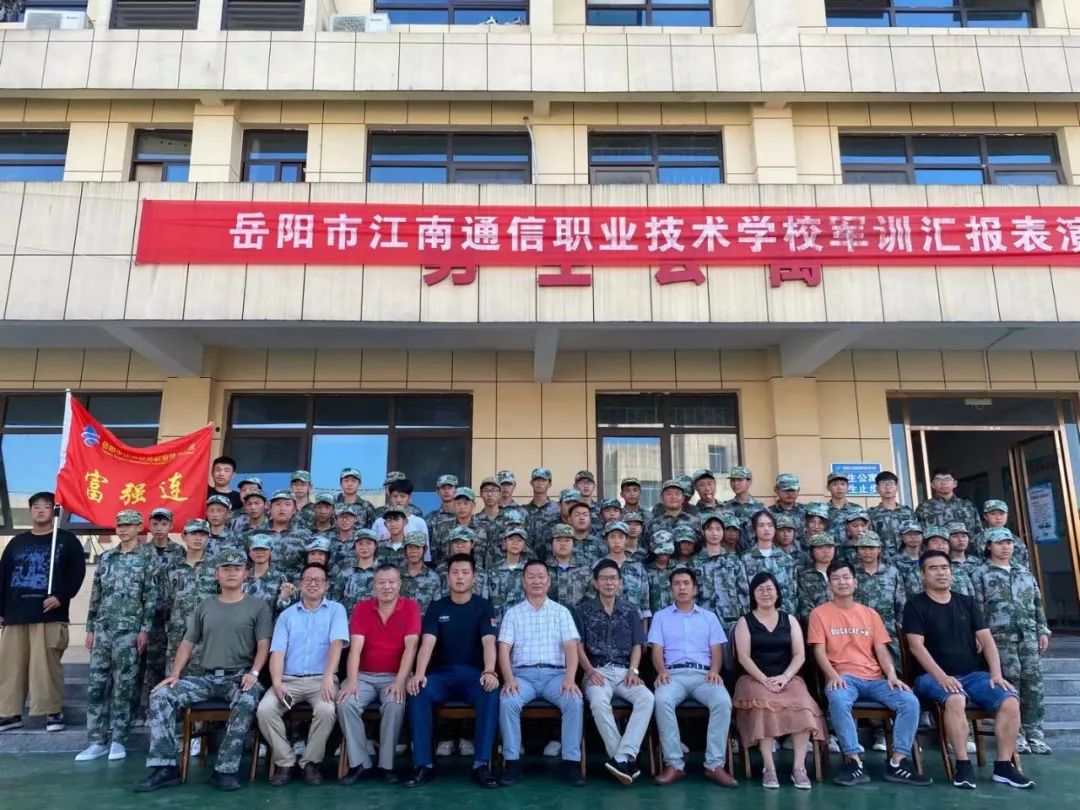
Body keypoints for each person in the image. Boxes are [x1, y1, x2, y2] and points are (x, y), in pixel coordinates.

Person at [136, 548, 272, 793]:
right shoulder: (205, 605)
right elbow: (187, 643)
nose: (231, 573)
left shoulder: (257, 606)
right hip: (205, 678)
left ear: (246, 574)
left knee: (247, 700)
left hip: (239, 678)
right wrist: (175, 675)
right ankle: (165, 767)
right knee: (161, 695)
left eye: (237, 568)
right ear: (216, 574)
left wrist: (254, 673)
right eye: (226, 569)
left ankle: (225, 770)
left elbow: (264, 644)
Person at [903, 549, 1032, 789]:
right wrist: (942, 677)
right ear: (923, 575)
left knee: (1010, 700)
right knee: (955, 698)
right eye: (933, 568)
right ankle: (963, 765)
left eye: (944, 567)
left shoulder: (967, 603)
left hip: (973, 675)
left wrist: (996, 674)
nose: (941, 573)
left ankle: (1003, 766)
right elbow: (916, 647)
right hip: (931, 677)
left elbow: (987, 641)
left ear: (951, 572)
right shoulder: (915, 605)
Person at [807, 561, 930, 787]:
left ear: (855, 582)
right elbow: (819, 651)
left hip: (875, 679)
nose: (842, 582)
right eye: (836, 578)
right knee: (838, 699)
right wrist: (832, 675)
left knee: (909, 701)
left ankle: (898, 762)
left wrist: (891, 674)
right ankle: (854, 761)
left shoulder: (870, 614)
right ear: (829, 585)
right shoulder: (819, 614)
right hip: (844, 677)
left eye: (846, 577)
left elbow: (881, 650)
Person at [404, 554, 501, 789]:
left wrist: (490, 671)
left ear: (473, 577)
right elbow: (427, 643)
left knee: (490, 691)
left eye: (465, 573)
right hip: (441, 675)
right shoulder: (437, 606)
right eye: (455, 572)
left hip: (473, 675)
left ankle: (481, 764)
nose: (460, 577)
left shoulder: (483, 606)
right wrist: (419, 673)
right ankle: (424, 765)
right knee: (418, 690)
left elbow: (489, 642)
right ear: (447, 577)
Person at [0, 491, 85, 733]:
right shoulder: (16, 543)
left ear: (53, 511)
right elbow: (3, 577)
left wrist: (60, 596)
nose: (40, 510)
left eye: (46, 506)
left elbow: (76, 573)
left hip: (48, 614)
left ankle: (52, 711)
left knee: (45, 667)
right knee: (10, 667)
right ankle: (10, 713)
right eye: (36, 506)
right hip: (16, 615)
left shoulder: (66, 540)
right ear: (30, 512)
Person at [257, 562, 348, 786]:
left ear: (326, 585)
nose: (313, 584)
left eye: (318, 580)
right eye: (308, 579)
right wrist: (276, 683)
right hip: (289, 680)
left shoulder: (336, 610)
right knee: (265, 709)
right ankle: (285, 761)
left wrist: (328, 676)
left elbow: (337, 644)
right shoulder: (287, 616)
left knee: (326, 710)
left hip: (321, 679)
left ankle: (310, 762)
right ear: (299, 584)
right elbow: (277, 652)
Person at [733, 572, 826, 790]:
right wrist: (765, 680)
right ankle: (769, 768)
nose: (765, 593)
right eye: (760, 589)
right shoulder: (744, 622)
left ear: (777, 593)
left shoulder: (790, 620)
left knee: (803, 706)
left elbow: (799, 655)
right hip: (754, 679)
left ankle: (799, 768)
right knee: (764, 706)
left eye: (770, 589)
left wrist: (785, 677)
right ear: (753, 594)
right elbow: (744, 657)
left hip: (787, 678)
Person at [497, 559, 585, 787]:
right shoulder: (513, 613)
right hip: (522, 676)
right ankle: (512, 762)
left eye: (541, 576)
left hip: (555, 676)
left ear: (549, 581)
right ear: (523, 581)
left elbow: (571, 647)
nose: (536, 581)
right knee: (508, 701)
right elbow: (503, 649)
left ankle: (571, 763)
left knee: (573, 700)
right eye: (531, 576)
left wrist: (570, 678)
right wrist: (508, 679)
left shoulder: (561, 612)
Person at [76, 510, 155, 763]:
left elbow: (150, 597)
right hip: (103, 630)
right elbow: (96, 595)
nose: (123, 529)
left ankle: (119, 739)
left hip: (129, 631)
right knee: (97, 686)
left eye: (128, 525)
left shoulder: (147, 558)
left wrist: (145, 629)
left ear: (139, 527)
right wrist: (90, 629)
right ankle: (97, 740)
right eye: (120, 525)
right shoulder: (107, 557)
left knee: (124, 686)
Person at [649, 567, 735, 787]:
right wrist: (661, 671)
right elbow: (657, 649)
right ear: (671, 589)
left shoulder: (709, 617)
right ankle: (674, 764)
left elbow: (716, 649)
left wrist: (714, 670)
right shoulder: (660, 617)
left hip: (704, 675)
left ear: (695, 589)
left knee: (722, 701)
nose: (682, 588)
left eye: (686, 583)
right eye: (676, 584)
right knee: (661, 699)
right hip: (673, 674)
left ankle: (714, 765)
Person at [972, 527, 1052, 755]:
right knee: (1008, 683)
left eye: (1008, 543)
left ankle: (1035, 733)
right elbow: (977, 608)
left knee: (1033, 684)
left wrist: (1042, 630)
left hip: (1028, 636)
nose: (1005, 547)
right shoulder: (980, 574)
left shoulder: (1024, 572)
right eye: (999, 543)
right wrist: (979, 636)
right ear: (989, 546)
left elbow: (1036, 603)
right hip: (1000, 638)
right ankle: (1014, 734)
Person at [337, 564, 420, 784]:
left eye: (392, 582)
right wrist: (352, 682)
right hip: (363, 675)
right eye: (381, 582)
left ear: (400, 584)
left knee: (395, 703)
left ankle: (386, 765)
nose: (387, 587)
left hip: (394, 676)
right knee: (346, 703)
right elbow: (355, 649)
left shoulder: (410, 607)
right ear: (374, 586)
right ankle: (360, 763)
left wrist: (400, 682)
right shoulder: (363, 608)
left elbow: (411, 647)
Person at [575, 560, 654, 785]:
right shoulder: (583, 610)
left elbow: (637, 645)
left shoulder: (630, 610)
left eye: (613, 578)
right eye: (604, 579)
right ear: (595, 583)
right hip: (596, 671)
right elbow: (577, 646)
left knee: (647, 698)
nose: (609, 583)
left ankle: (621, 757)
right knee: (599, 702)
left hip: (624, 672)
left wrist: (634, 670)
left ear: (619, 583)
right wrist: (589, 671)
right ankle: (624, 759)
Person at [741, 510, 797, 609]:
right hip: (756, 613)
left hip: (783, 613)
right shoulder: (745, 559)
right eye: (761, 525)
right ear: (755, 530)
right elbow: (744, 592)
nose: (766, 529)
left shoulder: (787, 559)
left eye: (770, 525)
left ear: (775, 529)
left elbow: (792, 591)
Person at [916, 468, 981, 539]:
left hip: (965, 546)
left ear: (955, 483)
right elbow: (919, 534)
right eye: (938, 480)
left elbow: (978, 533)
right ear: (932, 485)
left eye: (947, 479)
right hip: (937, 545)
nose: (943, 483)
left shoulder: (968, 506)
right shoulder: (924, 507)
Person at [868, 471, 917, 560]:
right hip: (883, 560)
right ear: (877, 489)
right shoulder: (871, 514)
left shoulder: (908, 512)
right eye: (883, 484)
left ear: (896, 488)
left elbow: (916, 535)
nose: (887, 488)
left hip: (907, 559)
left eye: (891, 484)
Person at [331, 529, 378, 618]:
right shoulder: (345, 574)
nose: (364, 547)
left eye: (368, 543)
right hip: (349, 621)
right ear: (355, 547)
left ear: (375, 546)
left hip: (375, 622)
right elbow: (335, 603)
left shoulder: (383, 572)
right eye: (360, 544)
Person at [978, 500, 1030, 569]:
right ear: (985, 516)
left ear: (1007, 515)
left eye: (1001, 514)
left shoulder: (1016, 540)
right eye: (993, 514)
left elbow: (1024, 565)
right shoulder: (977, 540)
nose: (998, 517)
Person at [796, 533, 836, 623]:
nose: (826, 551)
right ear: (812, 551)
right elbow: (805, 609)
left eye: (829, 547)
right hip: (817, 624)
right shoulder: (804, 577)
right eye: (820, 548)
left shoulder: (842, 574)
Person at [723, 466, 765, 548]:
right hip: (732, 553)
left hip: (754, 552)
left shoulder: (760, 507)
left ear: (749, 482)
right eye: (733, 480)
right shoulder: (725, 507)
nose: (735, 483)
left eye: (740, 480)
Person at [769, 474, 806, 548]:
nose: (790, 493)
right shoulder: (768, 513)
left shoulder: (806, 511)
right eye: (785, 490)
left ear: (798, 490)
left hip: (803, 553)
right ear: (776, 490)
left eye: (793, 490)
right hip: (778, 553)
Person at [825, 472, 852, 543]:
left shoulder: (857, 509)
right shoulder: (823, 510)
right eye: (835, 484)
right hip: (829, 549)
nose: (839, 487)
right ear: (828, 488)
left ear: (848, 487)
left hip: (852, 549)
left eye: (843, 484)